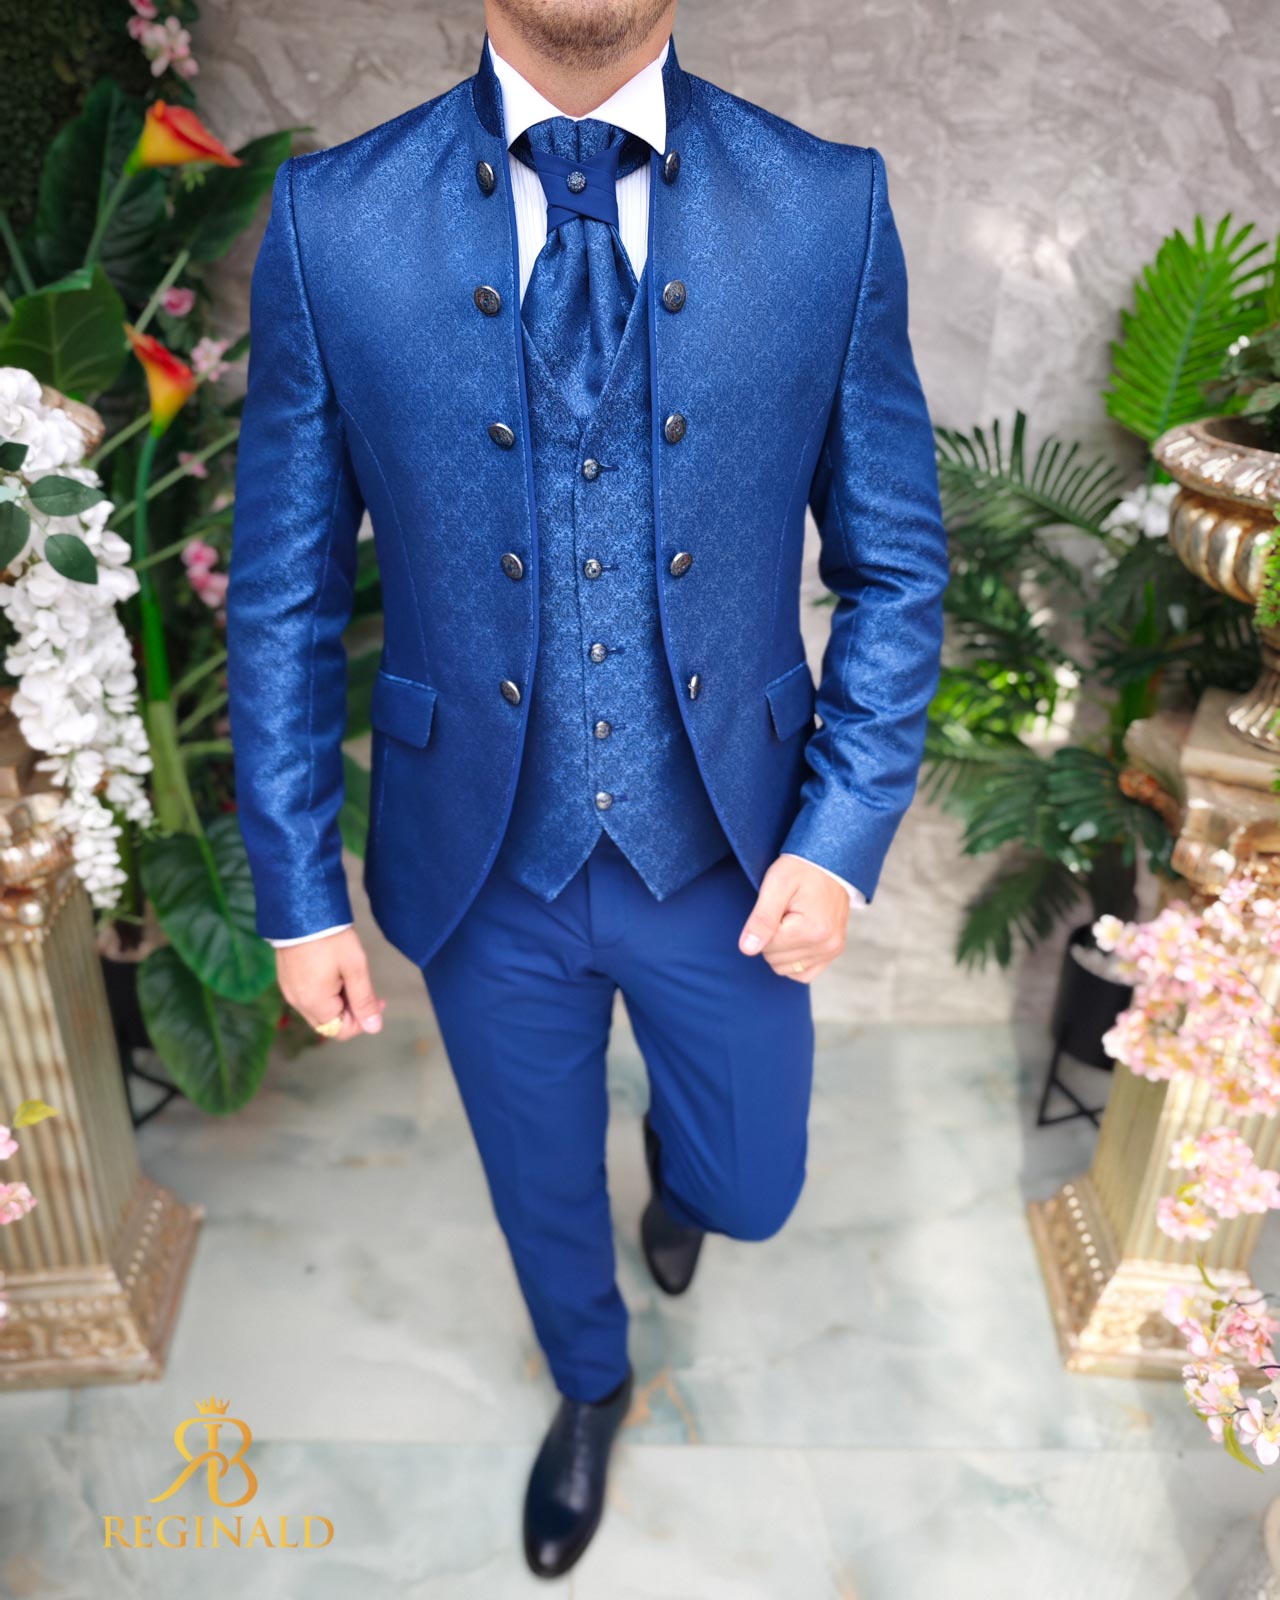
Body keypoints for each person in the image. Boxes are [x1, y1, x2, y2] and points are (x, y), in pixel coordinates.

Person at [227, 0, 948, 1576]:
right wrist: (295, 895)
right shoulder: (332, 220)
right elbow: (281, 596)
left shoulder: (829, 206)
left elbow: (895, 569)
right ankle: (589, 1384)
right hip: (480, 863)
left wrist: (840, 836)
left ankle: (687, 1179)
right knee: (539, 1187)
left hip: (731, 851)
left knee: (752, 1190)